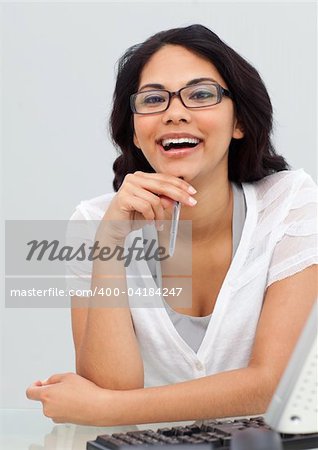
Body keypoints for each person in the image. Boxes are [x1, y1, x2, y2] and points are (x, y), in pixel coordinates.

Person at [26, 24, 317, 426]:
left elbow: (273, 383)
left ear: (239, 123)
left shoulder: (289, 203)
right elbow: (111, 385)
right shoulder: (94, 223)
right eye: (153, 100)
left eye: (201, 95)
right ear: (136, 132)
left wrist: (105, 410)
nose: (175, 113)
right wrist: (111, 243)